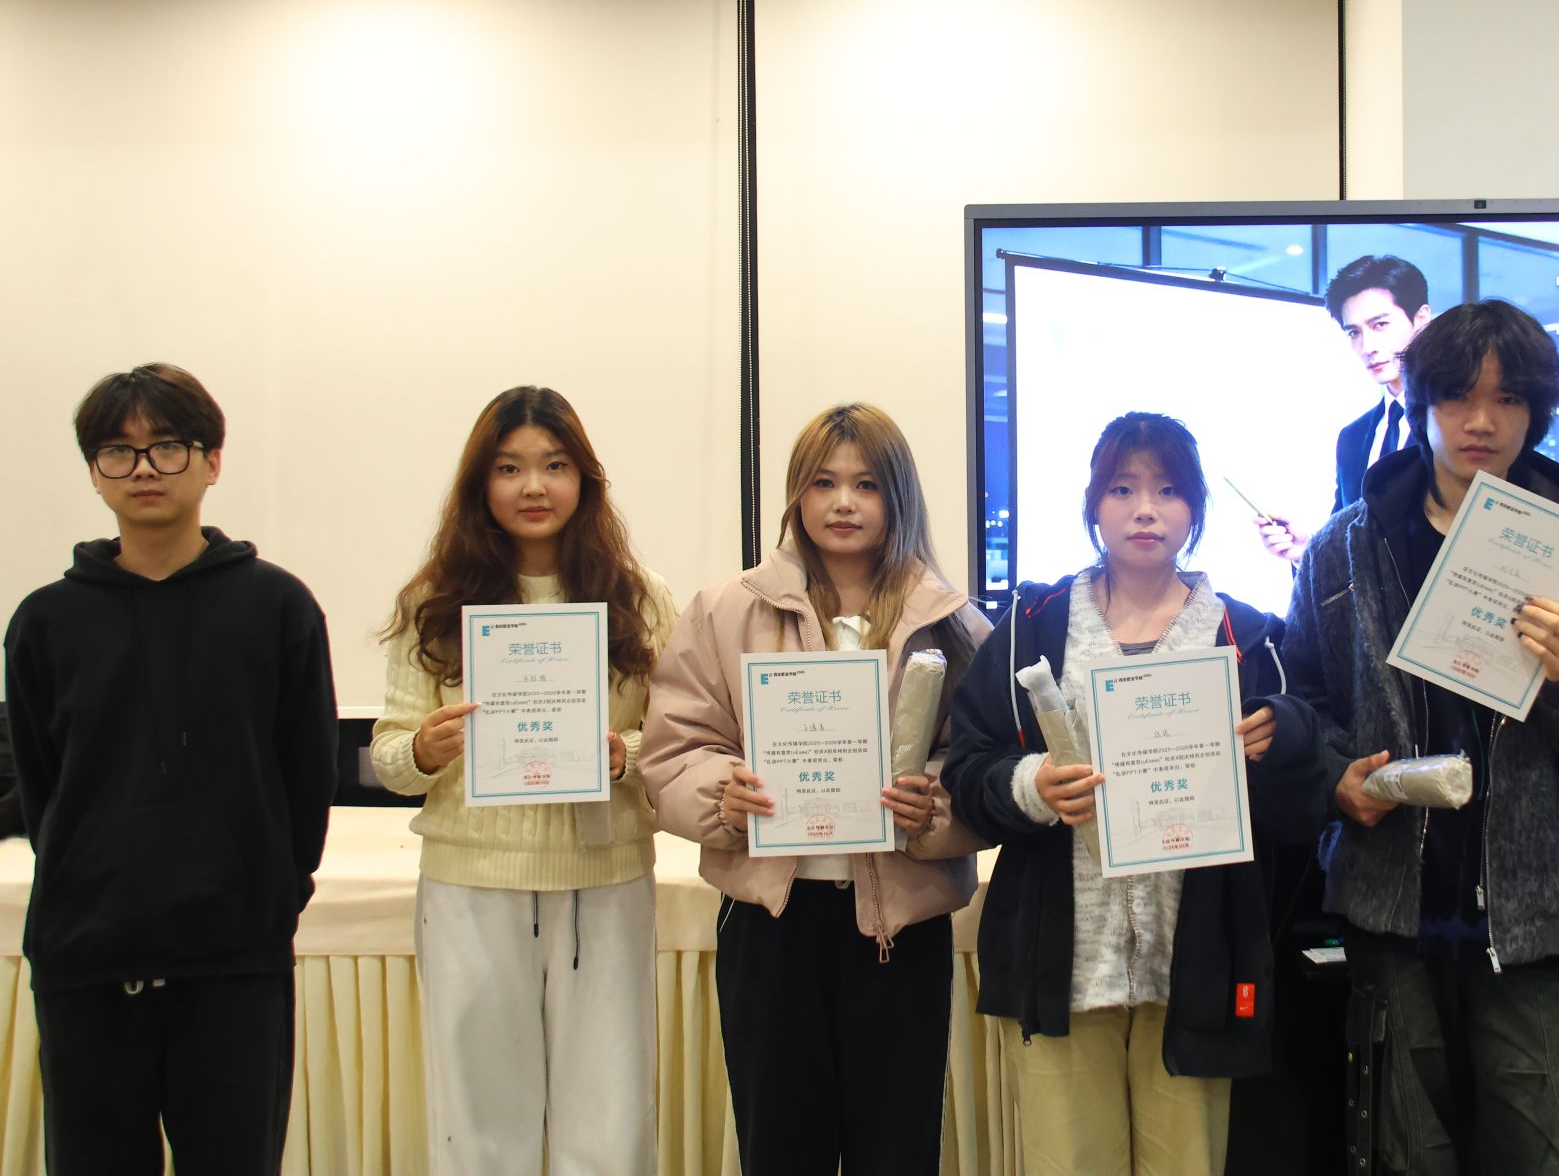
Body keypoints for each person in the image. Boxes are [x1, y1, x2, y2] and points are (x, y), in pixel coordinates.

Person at [1284, 300, 1559, 1174]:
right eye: (1457, 395)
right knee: (1406, 1156)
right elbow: (1304, 703)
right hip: (1393, 910)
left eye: (1508, 398)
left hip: (1538, 920)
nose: (1481, 420)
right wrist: (1336, 777)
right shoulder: (1344, 549)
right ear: (1419, 403)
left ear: (1537, 412)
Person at [943, 411, 1326, 1176]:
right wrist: (1032, 785)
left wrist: (1280, 734)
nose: (1145, 509)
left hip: (1195, 965)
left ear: (1195, 509)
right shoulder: (1034, 623)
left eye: (1167, 490)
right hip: (1063, 962)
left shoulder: (1247, 635)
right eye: (1122, 488)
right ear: (1093, 504)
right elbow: (967, 766)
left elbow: (1306, 785)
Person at [639, 402, 989, 1176]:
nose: (843, 502)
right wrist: (722, 796)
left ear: (898, 495)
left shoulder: (951, 621)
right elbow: (675, 748)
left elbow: (983, 762)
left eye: (867, 484)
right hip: (773, 924)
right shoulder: (727, 610)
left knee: (896, 1153)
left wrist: (934, 806)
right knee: (780, 1149)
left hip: (901, 928)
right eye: (823, 482)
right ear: (797, 493)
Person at [4, 363, 337, 1174]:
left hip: (234, 958)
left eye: (168, 446)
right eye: (117, 451)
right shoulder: (45, 621)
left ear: (212, 460)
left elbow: (307, 774)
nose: (144, 468)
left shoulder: (278, 606)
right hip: (87, 956)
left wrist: (270, 897)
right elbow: (45, 787)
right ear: (94, 471)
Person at [370, 386, 676, 1176]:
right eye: (509, 468)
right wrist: (426, 749)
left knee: (609, 1115)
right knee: (479, 1120)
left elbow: (679, 742)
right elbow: (389, 755)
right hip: (471, 882)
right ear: (481, 483)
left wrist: (624, 754)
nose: (533, 486)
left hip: (605, 877)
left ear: (585, 479)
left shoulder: (639, 598)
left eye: (555, 465)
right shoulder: (434, 601)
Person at [1262, 253, 1433, 563]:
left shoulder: (1456, 426)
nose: (1367, 347)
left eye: (1380, 325)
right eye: (1354, 332)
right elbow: (1349, 549)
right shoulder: (1353, 437)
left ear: (1421, 319)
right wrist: (1308, 553)